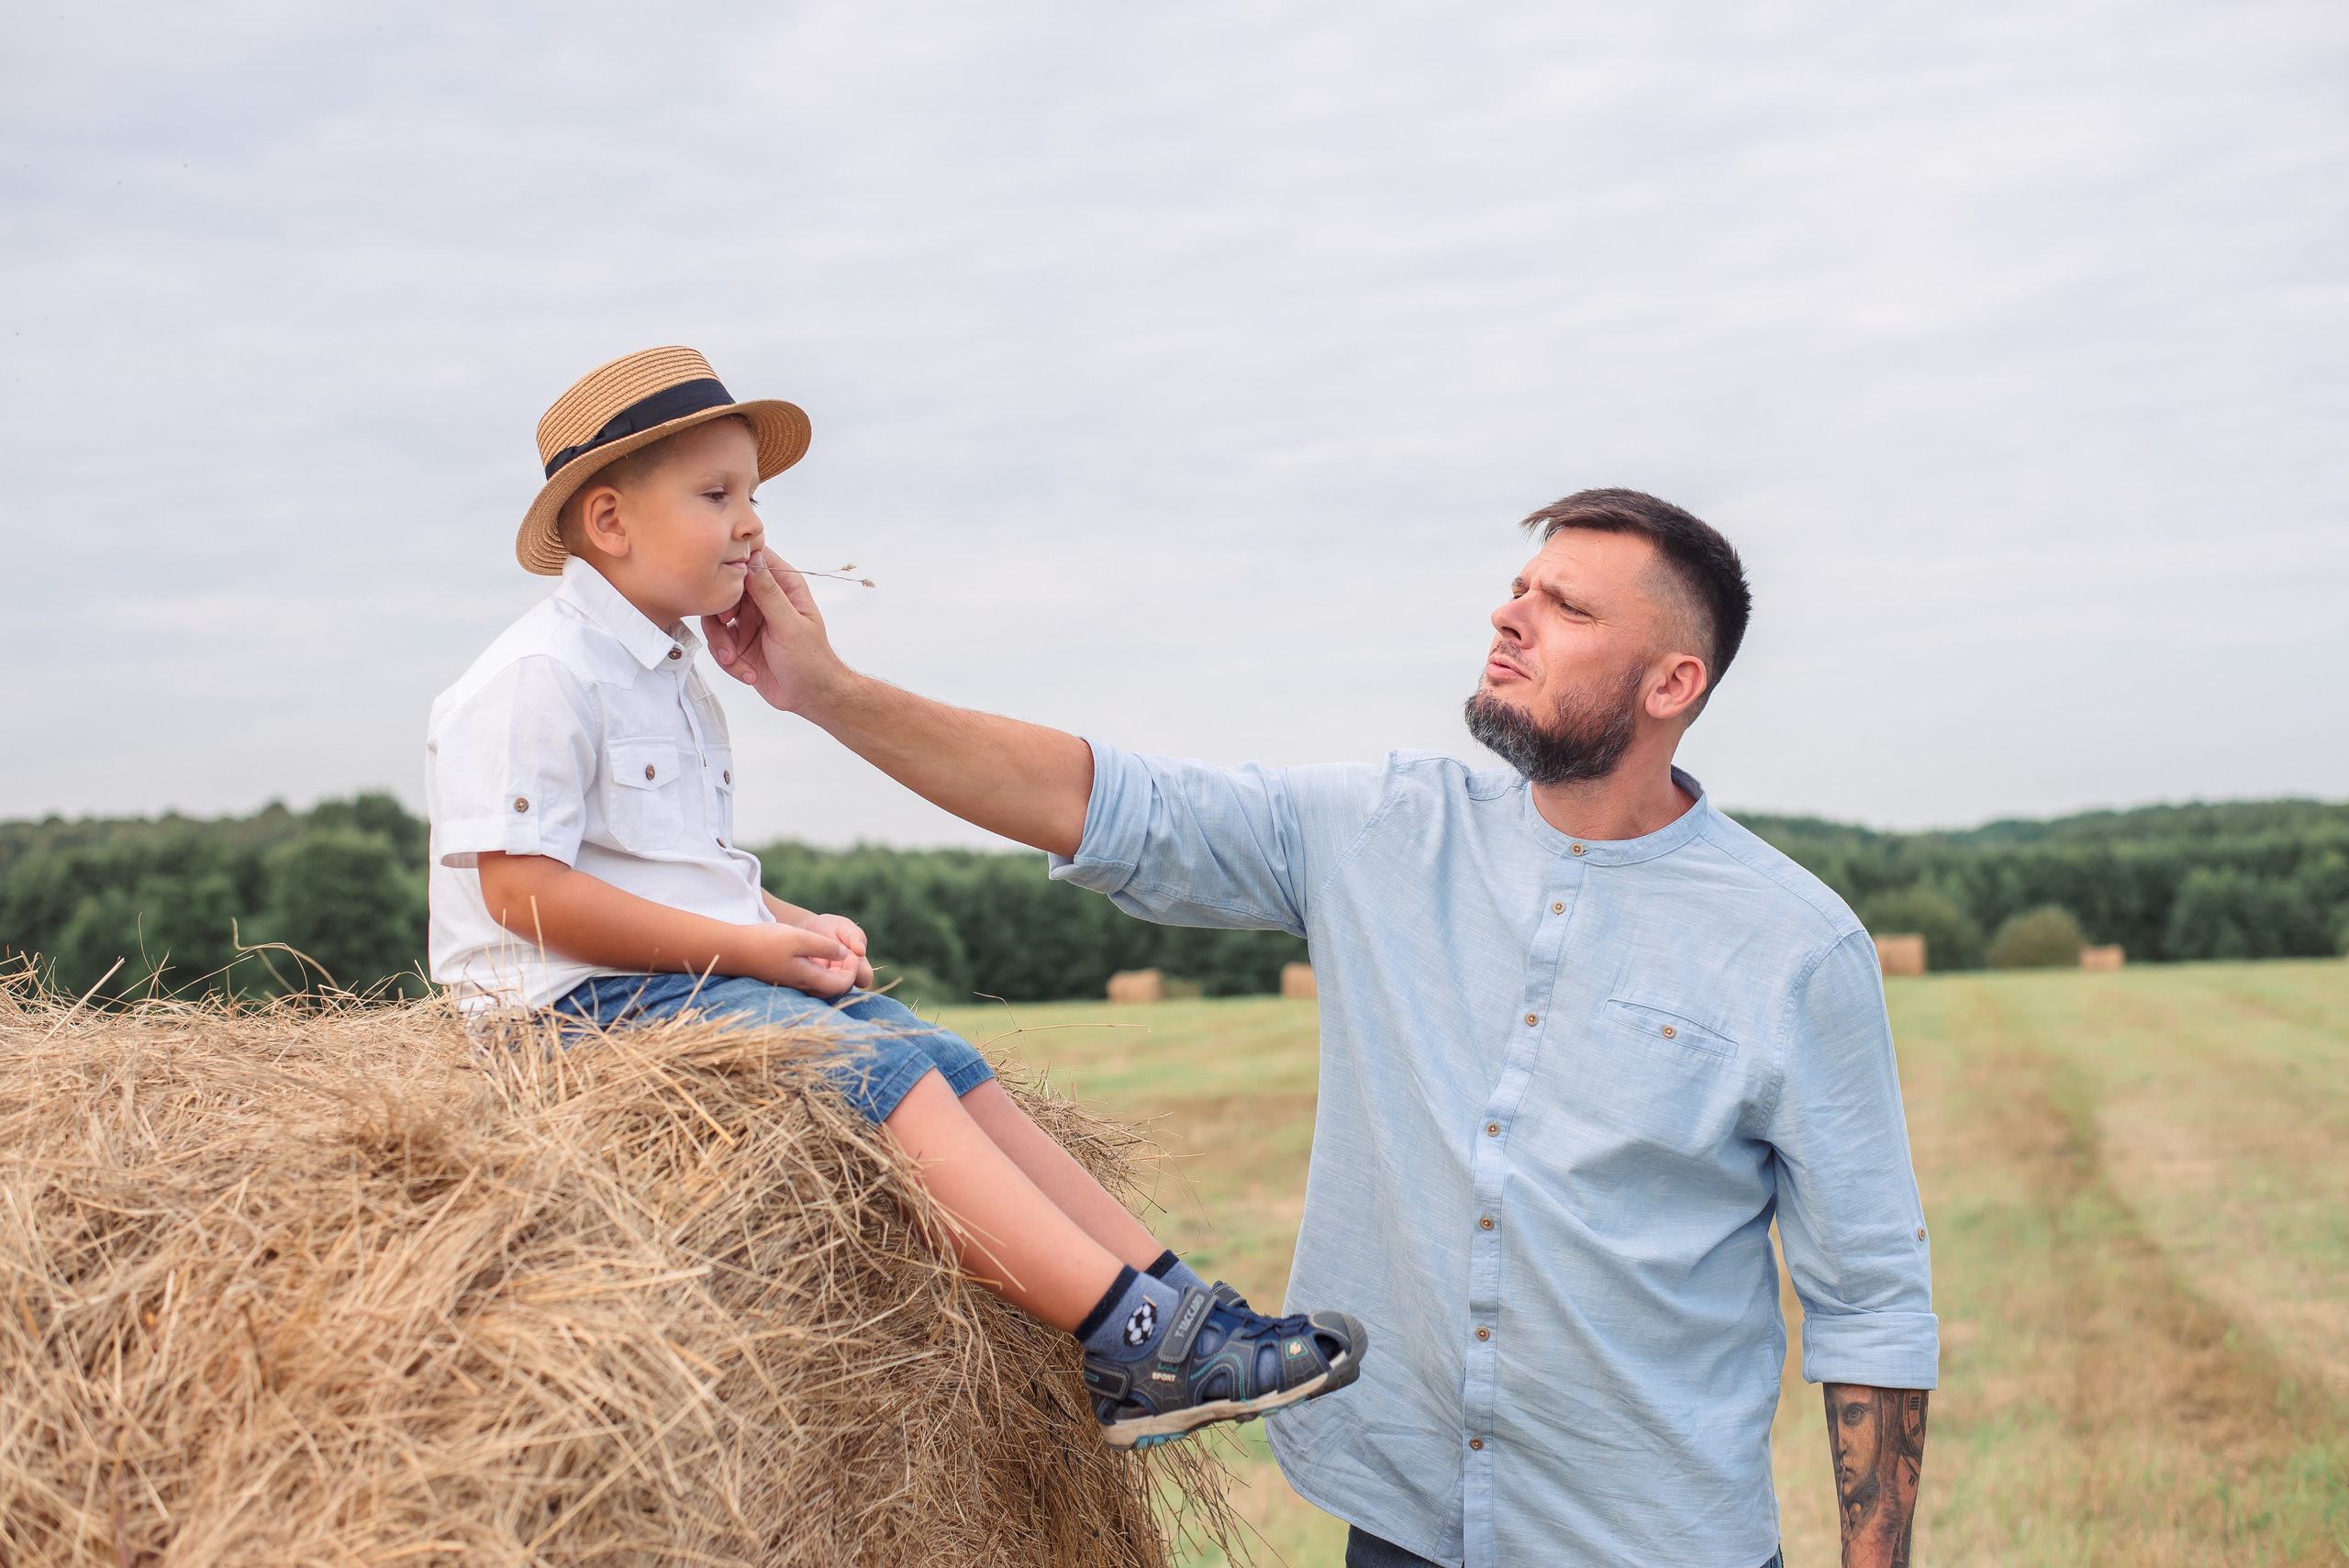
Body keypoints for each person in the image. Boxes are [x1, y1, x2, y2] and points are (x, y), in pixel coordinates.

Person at [705, 487, 1938, 1568]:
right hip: (1399, 1521)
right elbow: (1099, 802)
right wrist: (827, 691)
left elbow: (1871, 1301)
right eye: (1517, 589)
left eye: (1566, 606)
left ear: (1675, 683)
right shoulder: (1388, 829)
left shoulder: (1795, 944)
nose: (1510, 617)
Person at [421, 346, 1368, 1451]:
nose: (753, 528)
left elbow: (674, 867)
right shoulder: (539, 673)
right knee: (868, 1068)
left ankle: (1181, 1308)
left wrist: (787, 925)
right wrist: (751, 957)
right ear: (611, 522)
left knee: (944, 1062)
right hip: (567, 1020)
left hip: (670, 988)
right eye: (717, 497)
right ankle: (1128, 1332)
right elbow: (526, 899)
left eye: (756, 498)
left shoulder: (671, 675)